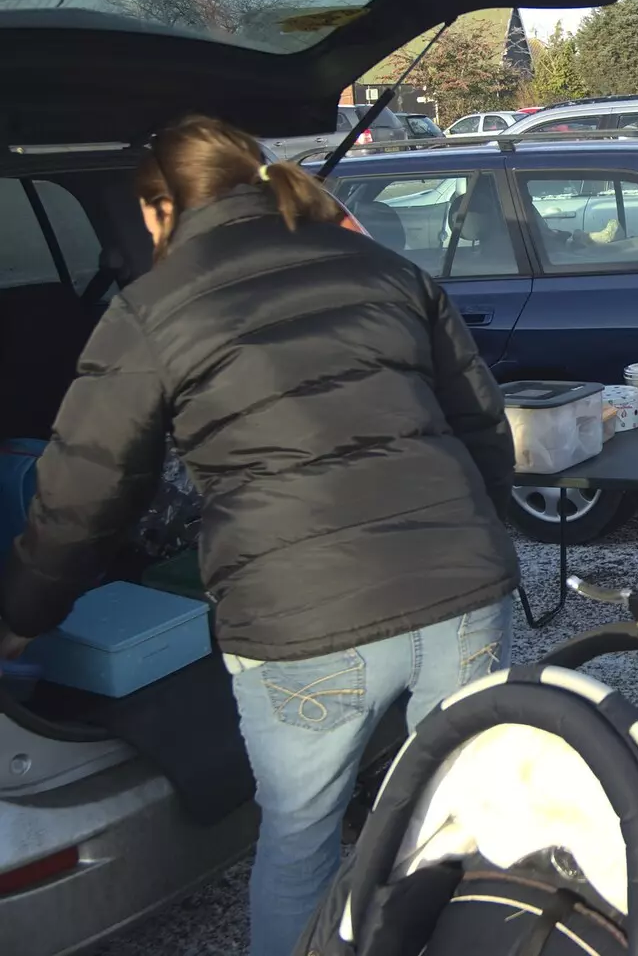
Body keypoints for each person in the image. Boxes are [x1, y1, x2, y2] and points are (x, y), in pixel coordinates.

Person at [0, 115, 522, 956]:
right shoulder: (382, 265)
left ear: (156, 211)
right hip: (460, 592)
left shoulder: (153, 306)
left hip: (301, 623)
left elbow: (80, 495)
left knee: (301, 837)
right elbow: (481, 423)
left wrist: (23, 613)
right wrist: (471, 534)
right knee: (455, 819)